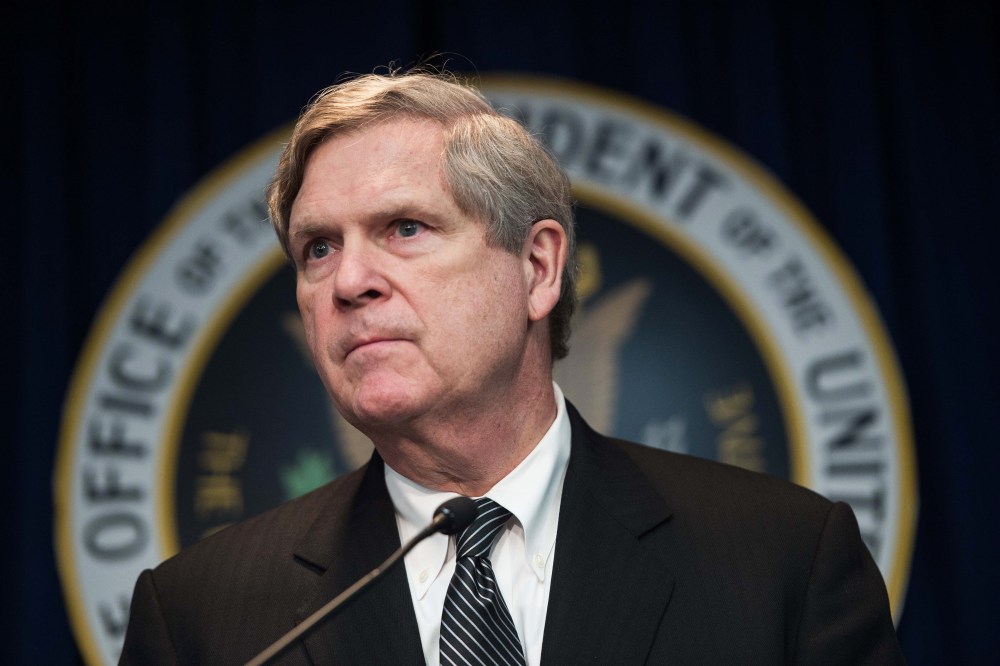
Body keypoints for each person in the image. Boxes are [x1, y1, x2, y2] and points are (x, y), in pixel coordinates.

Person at [120, 69, 903, 665]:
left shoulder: (783, 564)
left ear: (537, 267)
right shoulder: (200, 614)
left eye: (405, 228)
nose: (348, 281)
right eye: (317, 248)